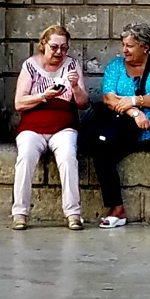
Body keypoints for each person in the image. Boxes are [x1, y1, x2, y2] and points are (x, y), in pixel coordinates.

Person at [93, 22, 150, 229]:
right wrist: (135, 113)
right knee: (102, 155)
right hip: (124, 128)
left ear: (145, 46)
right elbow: (109, 99)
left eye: (130, 46)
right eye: (123, 45)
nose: (124, 50)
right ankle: (116, 209)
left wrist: (134, 101)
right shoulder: (115, 67)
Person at [12, 24, 89, 230]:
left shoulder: (72, 65)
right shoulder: (30, 65)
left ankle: (73, 213)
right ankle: (20, 212)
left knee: (67, 156)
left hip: (64, 126)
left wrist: (74, 87)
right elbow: (19, 103)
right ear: (43, 45)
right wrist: (43, 96)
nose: (59, 52)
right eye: (54, 47)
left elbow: (83, 103)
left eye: (64, 48)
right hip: (32, 126)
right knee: (26, 155)